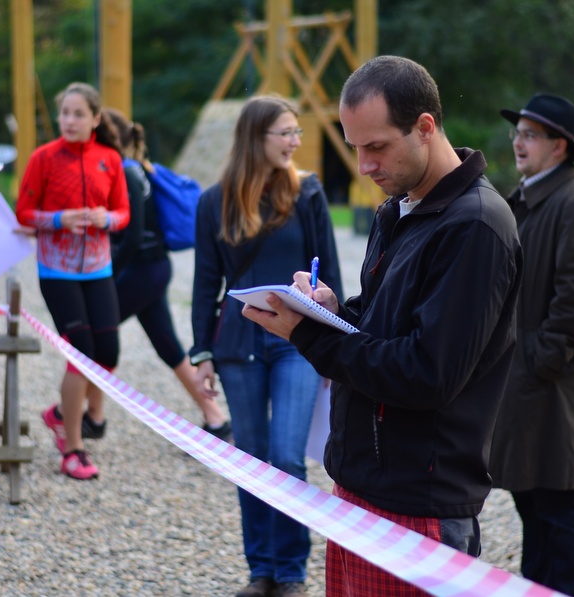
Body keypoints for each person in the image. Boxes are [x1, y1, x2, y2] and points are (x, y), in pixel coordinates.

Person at [241, 55, 522, 596]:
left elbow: (427, 373)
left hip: (418, 504)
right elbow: (382, 327)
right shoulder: (398, 207)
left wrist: (306, 334)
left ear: (425, 127)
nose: (364, 166)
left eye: (376, 146)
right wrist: (329, 311)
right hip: (361, 485)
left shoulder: (475, 225)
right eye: (354, 147)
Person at [190, 95, 343, 597]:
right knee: (250, 462)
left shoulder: (308, 191)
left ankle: (291, 572)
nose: (296, 141)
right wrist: (201, 352)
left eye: (297, 132)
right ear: (256, 137)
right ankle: (261, 572)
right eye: (287, 132)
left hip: (297, 341)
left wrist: (336, 344)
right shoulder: (214, 201)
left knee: (287, 457)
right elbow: (205, 284)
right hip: (237, 345)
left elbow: (329, 274)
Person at [490, 94, 574, 597]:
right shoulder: (526, 198)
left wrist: (538, 361)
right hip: (526, 383)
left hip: (554, 389)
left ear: (559, 147)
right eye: (517, 133)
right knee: (533, 504)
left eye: (530, 135)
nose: (518, 142)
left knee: (559, 507)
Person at [81, 108, 232, 442]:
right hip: (152, 270)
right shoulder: (137, 169)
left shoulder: (126, 172)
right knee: (169, 347)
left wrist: (106, 275)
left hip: (142, 270)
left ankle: (92, 416)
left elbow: (132, 237)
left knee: (93, 333)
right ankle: (216, 420)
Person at [15, 82, 130, 480]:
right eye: (65, 113)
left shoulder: (109, 159)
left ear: (96, 119)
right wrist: (59, 219)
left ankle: (60, 414)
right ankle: (74, 448)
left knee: (108, 353)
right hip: (57, 271)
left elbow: (123, 213)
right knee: (81, 352)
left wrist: (105, 219)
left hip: (99, 269)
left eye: (79, 114)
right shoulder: (43, 157)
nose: (69, 120)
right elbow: (23, 212)